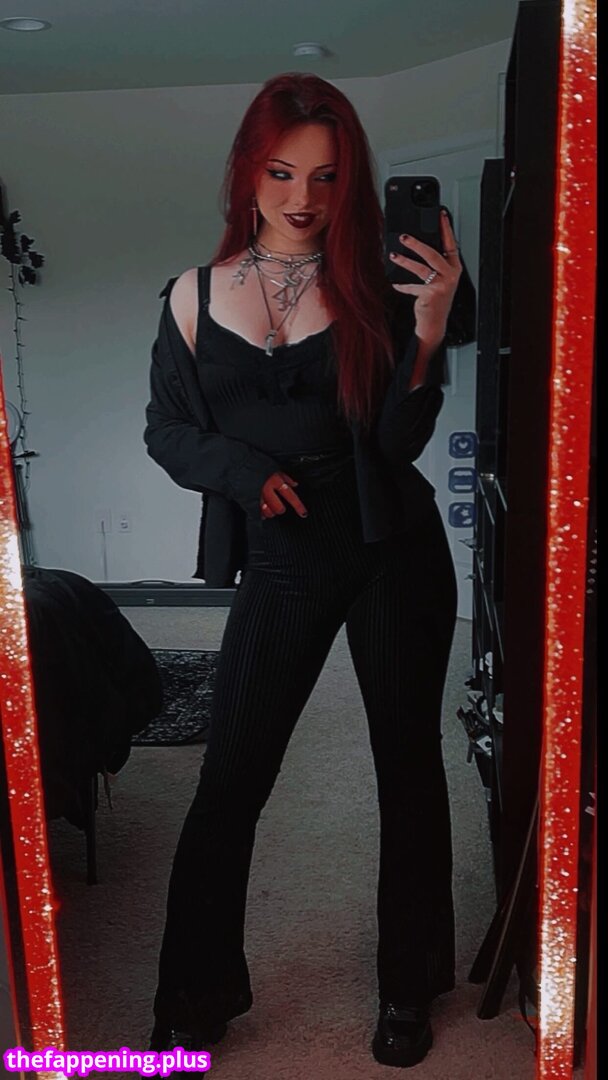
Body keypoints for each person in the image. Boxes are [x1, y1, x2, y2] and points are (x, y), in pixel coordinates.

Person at [143, 72, 462, 1069]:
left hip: (389, 546)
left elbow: (399, 443)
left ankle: (408, 985)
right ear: (247, 169)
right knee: (229, 778)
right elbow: (168, 431)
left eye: (326, 177)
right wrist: (244, 473)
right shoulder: (193, 297)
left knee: (407, 767)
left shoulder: (379, 284)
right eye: (282, 172)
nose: (302, 197)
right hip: (282, 554)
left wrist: (428, 331)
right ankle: (193, 996)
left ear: (348, 183)